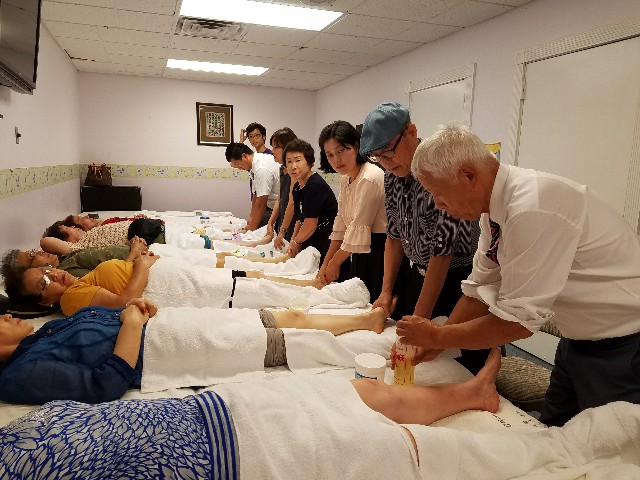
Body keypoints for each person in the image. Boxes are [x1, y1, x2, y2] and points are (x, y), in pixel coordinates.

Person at [397, 122, 640, 427]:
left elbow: (518, 323)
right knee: (551, 432)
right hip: (578, 339)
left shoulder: (531, 207)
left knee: (611, 444)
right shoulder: (493, 213)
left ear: (468, 175)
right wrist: (436, 343)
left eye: (439, 193)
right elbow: (479, 288)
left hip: (623, 343)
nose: (439, 206)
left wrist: (438, 335)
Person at [0, 349, 512, 480]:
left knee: (354, 391)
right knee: (374, 446)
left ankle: (471, 393)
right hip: (227, 459)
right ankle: (523, 450)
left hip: (211, 411)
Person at [0, 299, 387, 404]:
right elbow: (106, 385)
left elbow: (108, 318)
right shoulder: (19, 375)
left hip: (173, 324)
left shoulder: (42, 332)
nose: (6, 314)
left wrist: (133, 308)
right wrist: (132, 324)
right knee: (284, 341)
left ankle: (365, 320)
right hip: (173, 349)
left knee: (288, 316)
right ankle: (364, 336)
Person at [359, 102, 487, 374]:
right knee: (415, 361)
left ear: (412, 132)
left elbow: (442, 253)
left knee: (460, 363)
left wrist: (420, 319)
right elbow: (394, 237)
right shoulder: (392, 178)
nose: (386, 162)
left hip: (457, 281)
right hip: (417, 277)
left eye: (389, 151)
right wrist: (385, 291)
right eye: (377, 157)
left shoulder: (440, 170)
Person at [9, 254, 368, 315]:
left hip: (173, 276)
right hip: (171, 287)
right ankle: (335, 298)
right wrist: (142, 265)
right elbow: (124, 300)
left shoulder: (78, 281)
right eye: (42, 283)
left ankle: (313, 287)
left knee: (248, 279)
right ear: (44, 303)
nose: (51, 274)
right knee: (254, 290)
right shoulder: (70, 301)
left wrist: (139, 261)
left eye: (45, 270)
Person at [317, 120, 386, 299]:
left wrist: (334, 263)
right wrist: (324, 266)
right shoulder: (346, 177)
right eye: (330, 154)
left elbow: (359, 227)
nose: (336, 160)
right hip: (357, 249)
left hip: (378, 252)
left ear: (356, 146)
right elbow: (341, 225)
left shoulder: (370, 177)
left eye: (341, 150)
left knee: (370, 304)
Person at [285, 139, 338, 265]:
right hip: (310, 240)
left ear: (308, 161)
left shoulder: (315, 185)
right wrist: (293, 242)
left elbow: (310, 225)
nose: (293, 166)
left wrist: (296, 242)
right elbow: (299, 220)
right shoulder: (298, 187)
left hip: (326, 242)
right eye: (289, 161)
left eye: (298, 160)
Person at [225, 142, 280, 231]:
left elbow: (261, 202)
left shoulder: (261, 168)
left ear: (244, 156)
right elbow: (256, 195)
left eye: (237, 164)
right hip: (271, 206)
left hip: (279, 209)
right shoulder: (253, 165)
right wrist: (250, 220)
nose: (239, 168)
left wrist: (252, 229)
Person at [267, 127, 297, 246]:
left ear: (287, 148)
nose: (272, 151)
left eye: (276, 147)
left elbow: (291, 203)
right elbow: (279, 200)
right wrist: (270, 223)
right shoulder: (281, 169)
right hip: (283, 221)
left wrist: (282, 232)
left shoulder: (295, 171)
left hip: (293, 223)